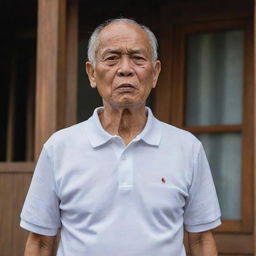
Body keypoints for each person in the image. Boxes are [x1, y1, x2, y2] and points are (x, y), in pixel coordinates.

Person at [20, 18, 221, 256]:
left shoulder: (187, 148)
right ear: (92, 73)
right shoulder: (59, 148)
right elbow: (41, 241)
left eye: (137, 58)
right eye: (111, 58)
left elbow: (200, 239)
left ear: (155, 73)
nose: (125, 69)